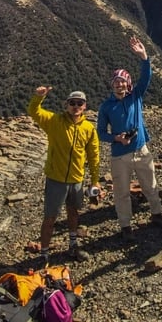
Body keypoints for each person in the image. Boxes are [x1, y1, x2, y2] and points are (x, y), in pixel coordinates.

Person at [96, 34, 162, 236]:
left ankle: (157, 214)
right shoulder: (106, 107)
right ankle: (125, 226)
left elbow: (146, 78)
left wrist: (144, 57)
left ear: (128, 84)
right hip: (120, 155)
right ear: (112, 85)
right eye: (116, 82)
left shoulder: (135, 96)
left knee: (151, 185)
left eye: (123, 82)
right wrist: (116, 138)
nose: (119, 85)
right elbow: (101, 133)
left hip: (140, 148)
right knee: (121, 192)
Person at [27, 86, 100, 263]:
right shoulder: (54, 122)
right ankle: (44, 254)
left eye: (79, 103)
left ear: (84, 106)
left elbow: (93, 155)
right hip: (56, 179)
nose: (76, 106)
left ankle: (73, 245)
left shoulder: (89, 128)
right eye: (72, 103)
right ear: (66, 105)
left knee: (73, 213)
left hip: (76, 179)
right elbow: (34, 111)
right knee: (50, 217)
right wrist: (38, 97)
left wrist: (95, 181)